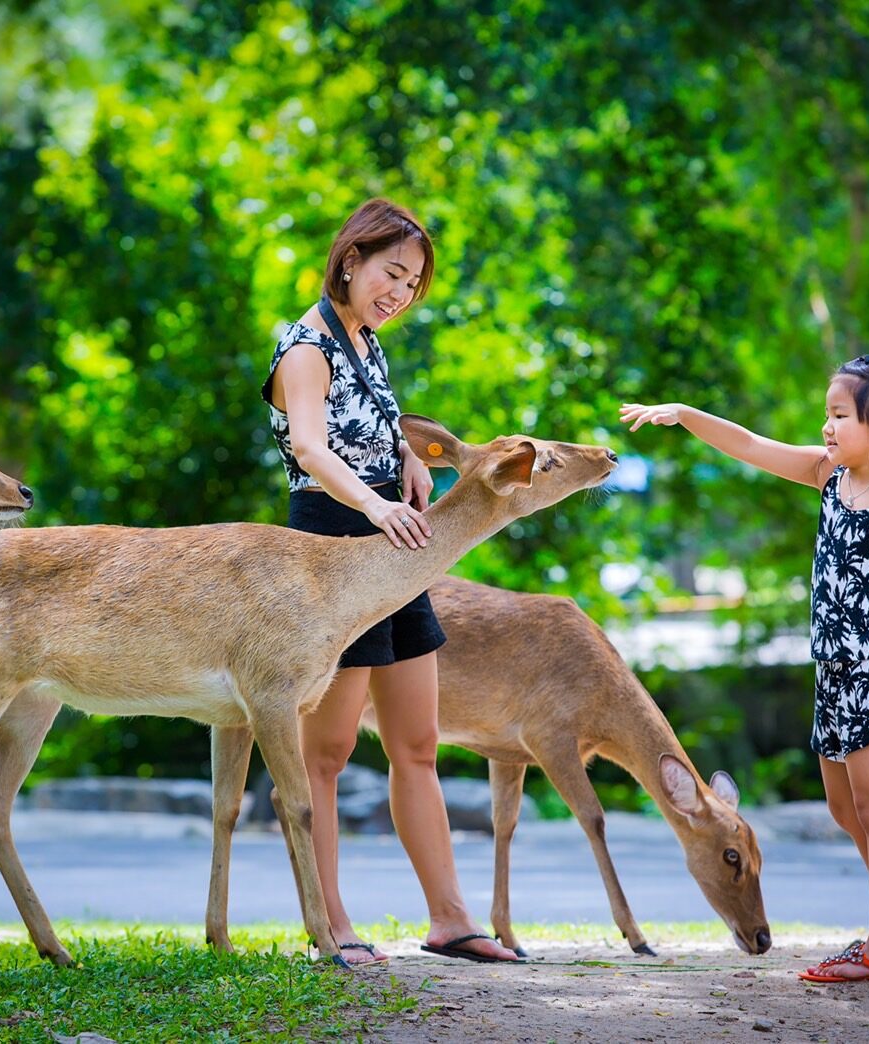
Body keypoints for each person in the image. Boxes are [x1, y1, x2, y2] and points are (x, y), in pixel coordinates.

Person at [621, 354, 869, 982]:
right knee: (844, 809)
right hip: (834, 676)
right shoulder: (830, 475)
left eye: (838, 415)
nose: (827, 427)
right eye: (826, 414)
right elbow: (749, 444)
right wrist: (685, 415)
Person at [261, 198, 521, 965]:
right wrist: (375, 502)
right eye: (391, 274)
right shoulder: (307, 346)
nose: (400, 293)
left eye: (412, 284)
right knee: (327, 755)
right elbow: (310, 446)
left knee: (416, 744)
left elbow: (371, 423)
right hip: (332, 552)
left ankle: (451, 920)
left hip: (395, 552)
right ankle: (330, 926)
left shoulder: (367, 343)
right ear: (351, 260)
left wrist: (405, 459)